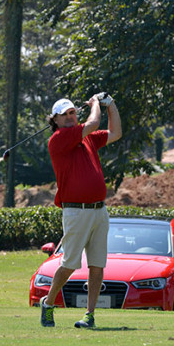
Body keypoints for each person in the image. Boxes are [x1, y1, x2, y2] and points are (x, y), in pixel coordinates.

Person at [40, 92, 121, 329]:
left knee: (97, 265)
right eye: (64, 115)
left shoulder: (86, 138)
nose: (69, 117)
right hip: (75, 212)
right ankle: (48, 302)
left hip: (99, 210)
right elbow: (93, 123)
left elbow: (115, 133)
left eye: (73, 112)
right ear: (54, 120)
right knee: (69, 264)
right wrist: (96, 104)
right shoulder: (59, 139)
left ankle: (90, 315)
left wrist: (111, 105)